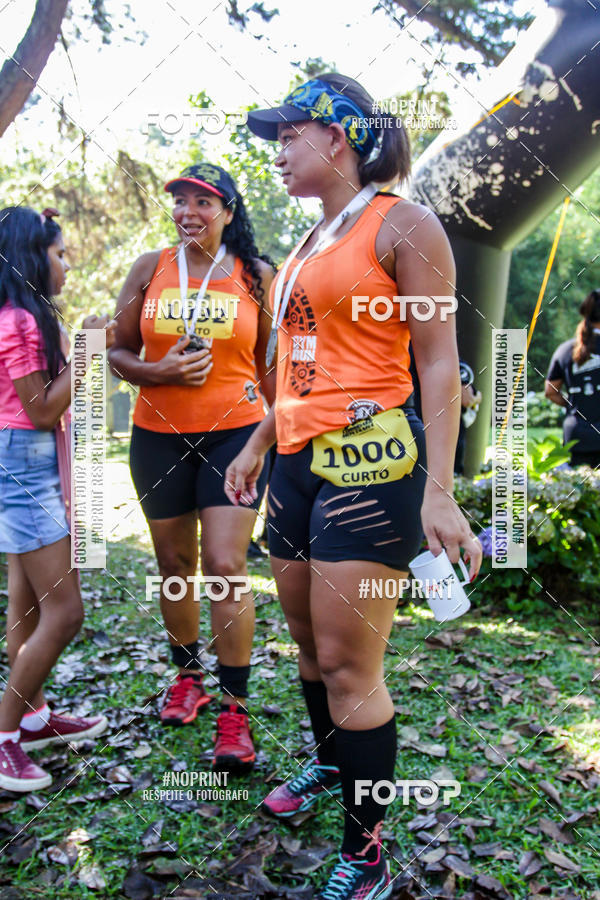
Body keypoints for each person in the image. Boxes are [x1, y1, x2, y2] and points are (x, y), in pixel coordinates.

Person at [225, 74, 482, 898]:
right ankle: (335, 765)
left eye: (287, 134)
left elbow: (438, 358)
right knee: (306, 643)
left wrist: (439, 489)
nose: (276, 151)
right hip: (295, 468)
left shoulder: (403, 223)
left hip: (372, 465)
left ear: (337, 138)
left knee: (348, 663)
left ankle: (365, 854)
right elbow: (299, 366)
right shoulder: (303, 245)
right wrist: (262, 437)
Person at [108, 163, 275, 771]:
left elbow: (272, 369)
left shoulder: (255, 275)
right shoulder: (149, 268)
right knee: (174, 565)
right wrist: (158, 373)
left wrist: (272, 438)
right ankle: (188, 678)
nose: (187, 211)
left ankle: (235, 710)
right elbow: (119, 350)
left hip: (235, 435)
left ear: (229, 210)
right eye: (179, 200)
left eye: (202, 202)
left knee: (227, 566)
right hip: (156, 436)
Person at [0, 206, 112, 792]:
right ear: (31, 257)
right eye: (60, 253)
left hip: (23, 457)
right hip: (23, 464)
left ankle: (36, 718)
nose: (66, 264)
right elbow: (42, 407)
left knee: (27, 606)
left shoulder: (26, 317)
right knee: (66, 612)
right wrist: (91, 348)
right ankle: (4, 737)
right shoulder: (16, 319)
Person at [546, 289, 600, 468]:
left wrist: (573, 403)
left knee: (580, 491)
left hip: (576, 435)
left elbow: (550, 391)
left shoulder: (565, 349)